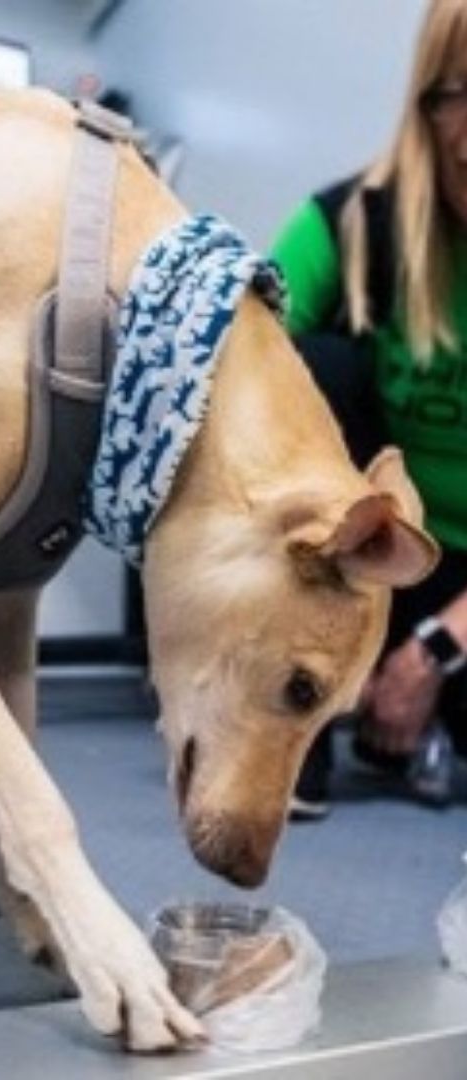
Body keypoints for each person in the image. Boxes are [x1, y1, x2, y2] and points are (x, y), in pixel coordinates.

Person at [271, 0, 467, 819]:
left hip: (461, 601)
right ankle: (305, 696)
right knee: (308, 366)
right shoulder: (348, 222)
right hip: (371, 556)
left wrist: (436, 651)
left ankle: (417, 713)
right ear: (431, 104)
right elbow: (218, 380)